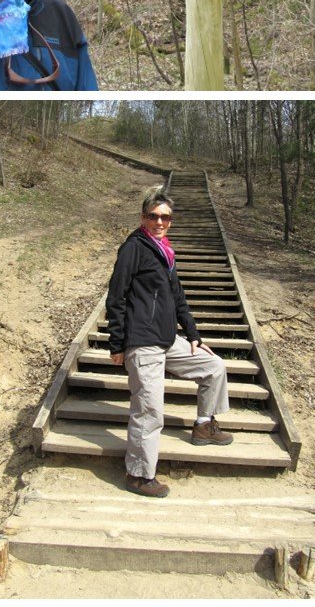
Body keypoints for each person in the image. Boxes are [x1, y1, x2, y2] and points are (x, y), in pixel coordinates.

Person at [106, 188, 233, 498]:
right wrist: (117, 345)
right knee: (149, 411)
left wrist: (193, 335)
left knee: (214, 366)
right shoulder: (133, 249)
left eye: (165, 217)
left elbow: (178, 298)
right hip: (142, 342)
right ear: (143, 218)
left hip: (166, 340)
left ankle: (204, 424)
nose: (160, 221)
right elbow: (116, 297)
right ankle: (138, 474)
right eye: (154, 216)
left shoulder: (164, 252)